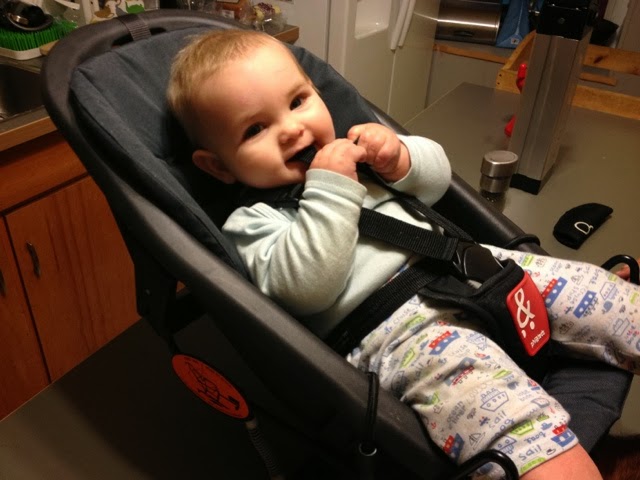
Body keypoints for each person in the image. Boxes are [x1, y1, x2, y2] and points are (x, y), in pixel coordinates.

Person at [166, 29, 640, 479]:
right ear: (218, 167)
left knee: (606, 296)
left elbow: (436, 186)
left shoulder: (357, 155)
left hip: (474, 266)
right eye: (255, 129)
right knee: (508, 423)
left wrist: (400, 159)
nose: (292, 129)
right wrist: (330, 188)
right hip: (401, 334)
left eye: (297, 101)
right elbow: (306, 287)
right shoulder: (252, 222)